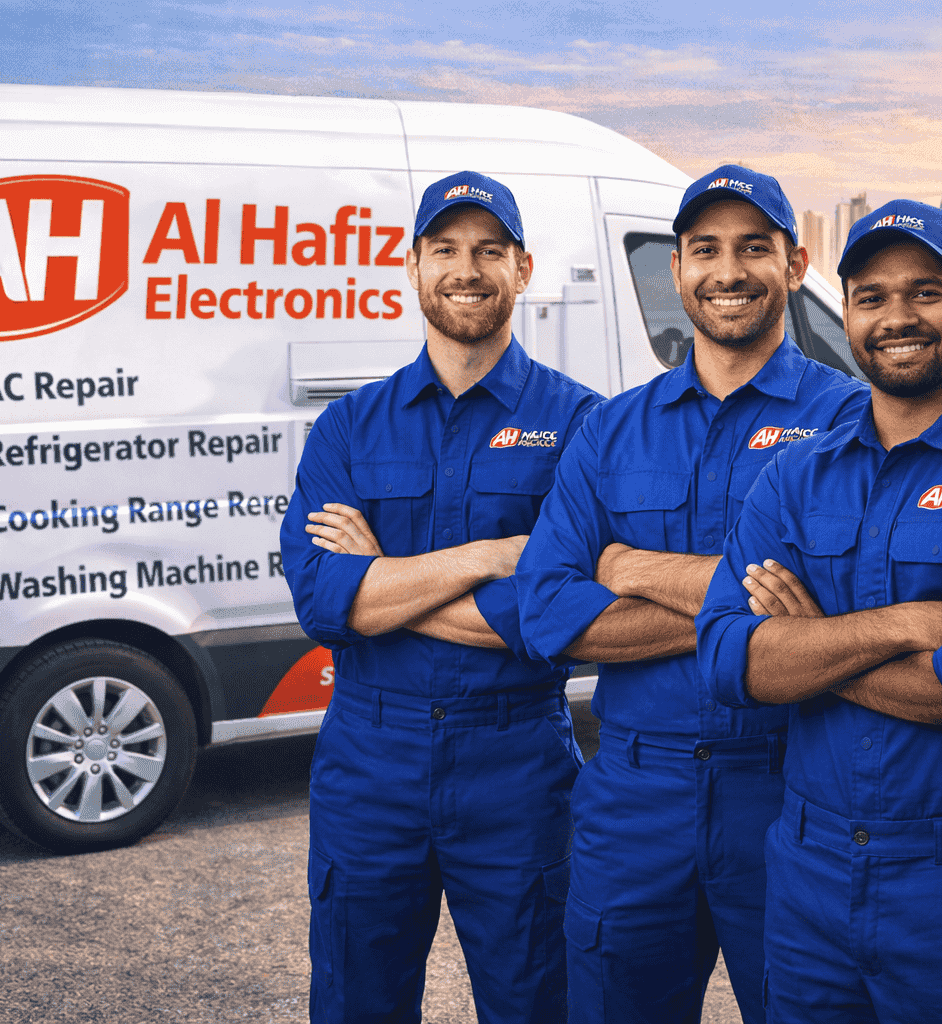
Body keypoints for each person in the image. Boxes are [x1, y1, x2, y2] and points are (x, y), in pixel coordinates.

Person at [696, 200, 942, 1023]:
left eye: (924, 292)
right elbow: (728, 661)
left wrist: (807, 646)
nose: (897, 317)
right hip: (807, 871)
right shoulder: (793, 477)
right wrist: (906, 626)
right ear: (845, 315)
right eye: (871, 297)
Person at [515, 165, 868, 1024]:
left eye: (754, 247)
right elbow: (547, 612)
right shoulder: (611, 428)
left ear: (795, 264)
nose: (728, 270)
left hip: (790, 793)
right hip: (634, 798)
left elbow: (841, 605)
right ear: (675, 269)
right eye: (705, 249)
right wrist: (751, 613)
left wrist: (632, 568)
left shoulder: (851, 422)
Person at [280, 170, 601, 1024]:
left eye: (490, 251)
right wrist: (490, 555)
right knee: (357, 1003)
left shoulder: (582, 426)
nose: (467, 269)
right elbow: (323, 603)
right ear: (413, 265)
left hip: (517, 766)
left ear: (523, 269)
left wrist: (385, 576)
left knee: (536, 1002)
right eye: (447, 250)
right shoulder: (350, 427)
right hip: (369, 762)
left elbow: (556, 615)